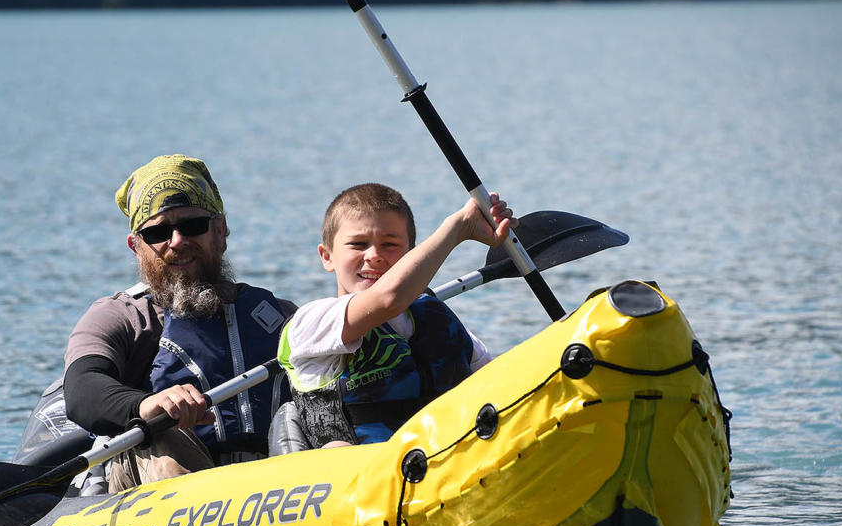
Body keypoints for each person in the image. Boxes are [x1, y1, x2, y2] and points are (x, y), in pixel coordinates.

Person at [63, 154, 295, 492]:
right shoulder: (121, 316)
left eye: (193, 226)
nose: (177, 241)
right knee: (162, 432)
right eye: (157, 232)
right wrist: (146, 405)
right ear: (136, 247)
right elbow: (82, 390)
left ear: (220, 231)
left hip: (278, 482)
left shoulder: (279, 316)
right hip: (159, 475)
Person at [277, 183, 514, 448]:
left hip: (453, 457)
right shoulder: (310, 322)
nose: (374, 256)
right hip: (362, 467)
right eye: (358, 244)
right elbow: (388, 299)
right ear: (327, 257)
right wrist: (459, 226)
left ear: (412, 255)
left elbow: (499, 385)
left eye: (389, 244)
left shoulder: (435, 316)